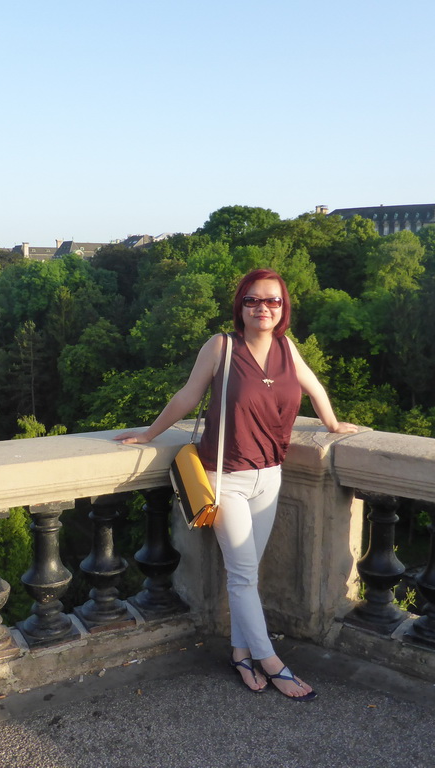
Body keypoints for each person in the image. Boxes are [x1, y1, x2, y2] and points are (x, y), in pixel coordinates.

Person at [114, 268, 358, 701]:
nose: (263, 308)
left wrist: (333, 423)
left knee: (245, 574)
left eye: (272, 301)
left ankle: (240, 653)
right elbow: (189, 395)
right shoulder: (222, 346)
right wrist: (149, 434)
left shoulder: (286, 348)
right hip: (223, 477)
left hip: (271, 475)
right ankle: (272, 662)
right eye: (253, 300)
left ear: (283, 309)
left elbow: (314, 385)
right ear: (240, 306)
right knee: (245, 575)